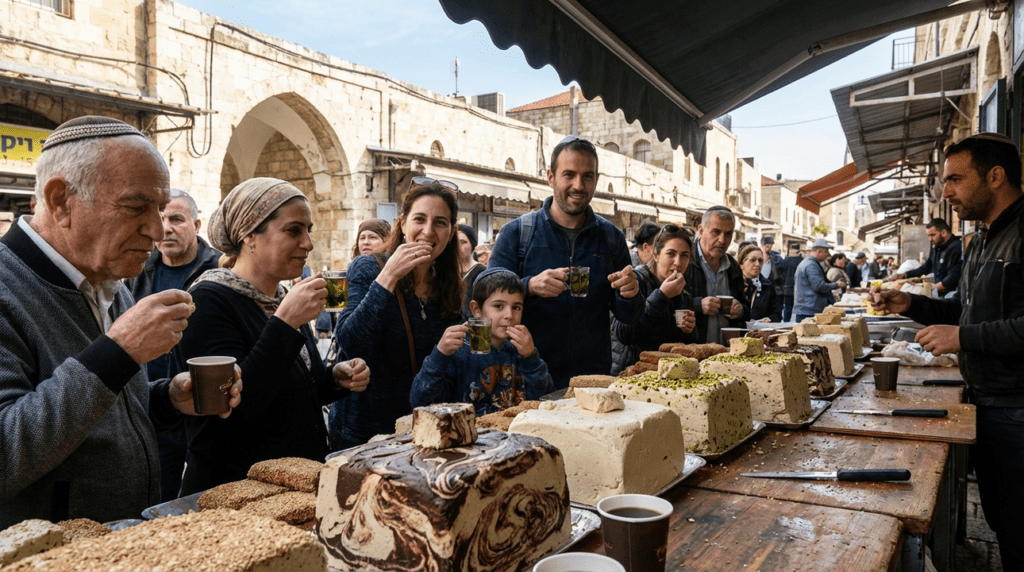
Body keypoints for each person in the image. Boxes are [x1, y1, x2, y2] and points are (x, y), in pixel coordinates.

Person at [0, 116, 242, 528]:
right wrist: (118, 352)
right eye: (136, 207)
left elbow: (101, 407)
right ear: (61, 201)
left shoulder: (110, 282)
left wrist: (166, 400)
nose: (155, 229)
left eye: (162, 209)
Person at [869, 133, 1024, 569]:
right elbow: (964, 310)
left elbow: (975, 328)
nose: (946, 193)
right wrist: (912, 304)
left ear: (995, 177)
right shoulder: (981, 240)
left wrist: (964, 339)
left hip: (1017, 407)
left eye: (955, 179)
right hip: (988, 403)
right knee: (1005, 522)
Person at [174, 178, 369, 494]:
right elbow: (232, 410)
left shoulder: (281, 296)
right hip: (238, 495)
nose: (308, 243)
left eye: (309, 230)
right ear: (249, 236)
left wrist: (335, 378)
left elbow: (300, 388)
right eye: (294, 231)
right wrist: (285, 323)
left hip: (292, 486)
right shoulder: (209, 300)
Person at [488, 136, 641, 389]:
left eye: (587, 176)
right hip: (525, 380)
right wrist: (529, 286)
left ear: (596, 180)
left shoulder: (612, 238)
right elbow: (487, 301)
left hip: (590, 383)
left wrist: (631, 294)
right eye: (569, 174)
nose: (578, 185)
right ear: (551, 177)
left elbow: (629, 317)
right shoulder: (517, 233)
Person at [330, 177, 464, 448]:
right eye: (420, 219)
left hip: (421, 429)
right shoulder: (369, 268)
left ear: (450, 234)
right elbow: (351, 342)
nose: (428, 231)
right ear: (402, 224)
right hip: (363, 432)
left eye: (440, 222)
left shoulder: (449, 285)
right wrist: (388, 276)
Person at [124, 187, 221, 502]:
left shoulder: (219, 270)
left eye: (177, 219)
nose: (165, 227)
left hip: (203, 407)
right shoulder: (137, 270)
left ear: (196, 225)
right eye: (161, 218)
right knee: (159, 498)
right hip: (156, 406)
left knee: (207, 497)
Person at [410, 267, 553, 414]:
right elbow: (420, 402)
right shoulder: (457, 350)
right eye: (498, 306)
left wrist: (531, 359)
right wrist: (440, 355)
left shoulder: (519, 351)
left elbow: (545, 401)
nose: (509, 315)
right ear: (476, 309)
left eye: (516, 307)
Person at [611, 224, 698, 374]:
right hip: (631, 373)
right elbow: (623, 333)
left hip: (665, 376)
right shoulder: (635, 281)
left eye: (684, 255)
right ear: (656, 255)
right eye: (671, 254)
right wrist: (662, 296)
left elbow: (682, 345)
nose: (678, 262)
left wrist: (689, 330)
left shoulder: (683, 293)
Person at [683, 206, 749, 344]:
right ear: (700, 231)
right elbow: (669, 306)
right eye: (716, 232)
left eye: (728, 234)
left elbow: (746, 307)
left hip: (726, 353)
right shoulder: (685, 261)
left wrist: (740, 309)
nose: (722, 240)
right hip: (692, 352)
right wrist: (698, 305)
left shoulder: (733, 266)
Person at [892, 218, 963, 295]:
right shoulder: (937, 247)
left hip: (952, 294)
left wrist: (934, 287)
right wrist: (905, 275)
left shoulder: (956, 247)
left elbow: (954, 276)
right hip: (939, 292)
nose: (930, 239)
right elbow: (926, 267)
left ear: (943, 233)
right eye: (928, 236)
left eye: (932, 235)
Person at [793, 238, 845, 322]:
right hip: (809, 309)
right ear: (819, 251)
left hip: (807, 308)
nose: (827, 255)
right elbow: (819, 286)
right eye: (826, 252)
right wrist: (836, 285)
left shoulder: (811, 263)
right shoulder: (811, 265)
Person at [738, 244, 782, 322]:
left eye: (760, 260)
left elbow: (777, 314)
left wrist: (769, 319)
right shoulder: (733, 283)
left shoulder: (767, 286)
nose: (757, 264)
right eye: (752, 260)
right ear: (741, 264)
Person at [457, 224, 486, 317]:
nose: (458, 246)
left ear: (472, 245)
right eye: (454, 242)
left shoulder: (481, 273)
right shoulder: (447, 272)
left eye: (463, 242)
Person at [779, 244, 803, 321]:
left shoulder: (786, 260)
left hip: (787, 287)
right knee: (799, 308)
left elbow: (781, 273)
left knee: (787, 307)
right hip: (799, 287)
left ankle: (786, 323)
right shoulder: (801, 260)